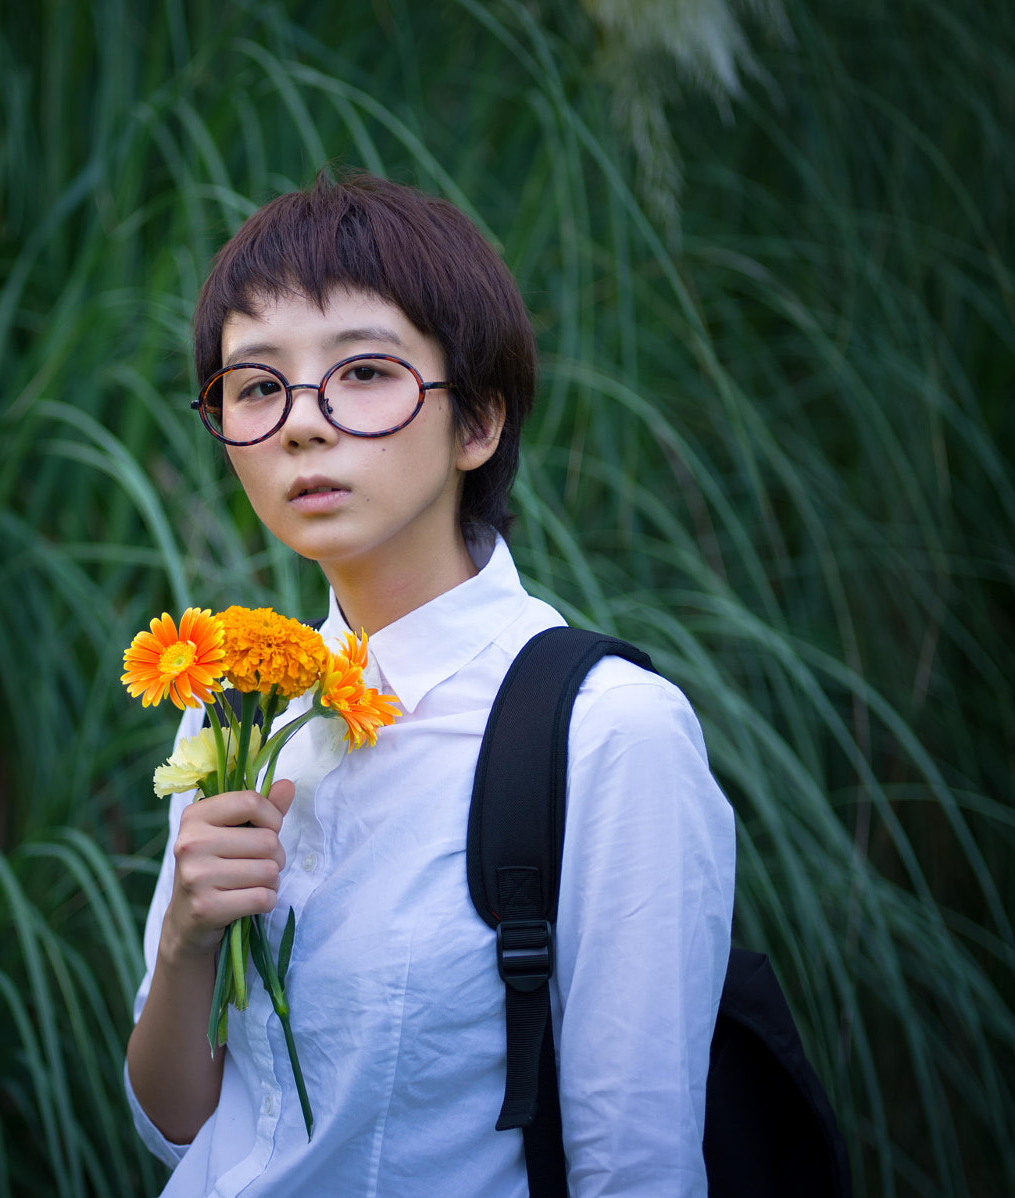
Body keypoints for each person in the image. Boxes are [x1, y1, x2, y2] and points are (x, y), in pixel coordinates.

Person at [124, 172, 736, 1197]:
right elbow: (181, 1127)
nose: (302, 425)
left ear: (478, 422)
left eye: (364, 372)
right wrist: (188, 940)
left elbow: (639, 1170)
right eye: (258, 385)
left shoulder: (604, 733)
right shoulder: (234, 702)